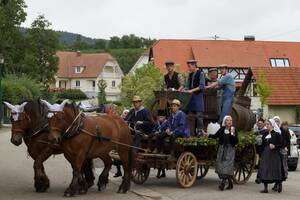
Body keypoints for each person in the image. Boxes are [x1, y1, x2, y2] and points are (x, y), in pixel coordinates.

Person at [208, 115, 238, 191]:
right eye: (228, 120)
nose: (230, 122)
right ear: (225, 121)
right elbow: (215, 136)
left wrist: (232, 134)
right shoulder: (222, 129)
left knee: (226, 165)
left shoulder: (233, 129)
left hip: (230, 150)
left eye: (231, 120)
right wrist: (207, 135)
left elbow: (236, 141)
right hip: (222, 149)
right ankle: (230, 183)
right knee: (220, 165)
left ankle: (223, 184)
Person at [257, 119, 283, 193]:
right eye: (266, 124)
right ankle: (265, 188)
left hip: (274, 154)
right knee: (265, 169)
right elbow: (262, 144)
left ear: (272, 125)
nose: (266, 125)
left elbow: (281, 144)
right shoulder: (265, 134)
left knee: (274, 169)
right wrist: (260, 152)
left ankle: (279, 183)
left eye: (268, 124)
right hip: (265, 154)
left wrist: (275, 146)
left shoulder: (277, 134)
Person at [185, 59, 205, 136]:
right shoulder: (190, 74)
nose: (189, 68)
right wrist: (185, 90)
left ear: (194, 65)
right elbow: (187, 86)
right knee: (190, 115)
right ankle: (191, 132)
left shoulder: (201, 73)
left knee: (199, 115)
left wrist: (191, 90)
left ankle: (200, 132)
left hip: (198, 96)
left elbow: (201, 86)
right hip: (191, 97)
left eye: (189, 66)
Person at [113, 109, 130, 178]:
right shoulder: (120, 121)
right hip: (121, 139)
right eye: (125, 113)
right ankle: (118, 171)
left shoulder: (129, 120)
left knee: (124, 157)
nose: (126, 114)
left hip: (128, 137)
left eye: (127, 113)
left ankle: (126, 172)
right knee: (116, 158)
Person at [254, 118, 268, 183]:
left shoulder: (265, 131)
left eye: (260, 123)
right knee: (260, 164)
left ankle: (259, 177)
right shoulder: (256, 130)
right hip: (257, 148)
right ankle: (260, 177)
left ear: (263, 124)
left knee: (261, 164)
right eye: (258, 123)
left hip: (262, 149)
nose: (259, 124)